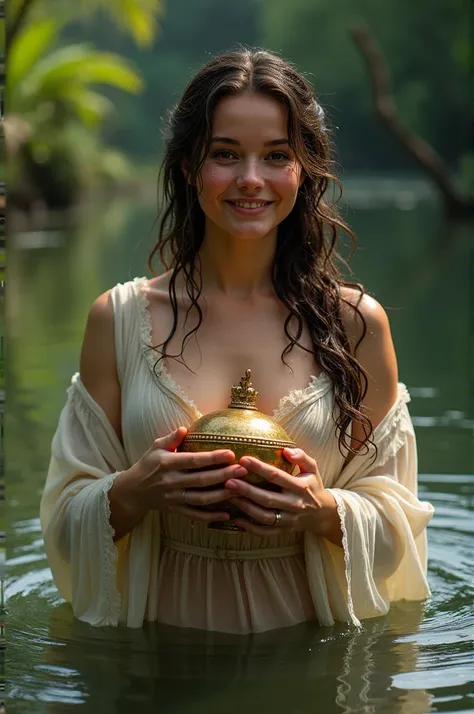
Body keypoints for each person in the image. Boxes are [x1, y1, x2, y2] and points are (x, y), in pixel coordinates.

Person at [40, 47, 434, 632]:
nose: (252, 180)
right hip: (153, 663)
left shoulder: (355, 325)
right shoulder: (118, 320)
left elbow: (400, 526)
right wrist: (133, 492)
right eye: (226, 154)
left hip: (310, 663)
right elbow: (64, 527)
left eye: (276, 156)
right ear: (187, 166)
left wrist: (321, 511)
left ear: (304, 169)